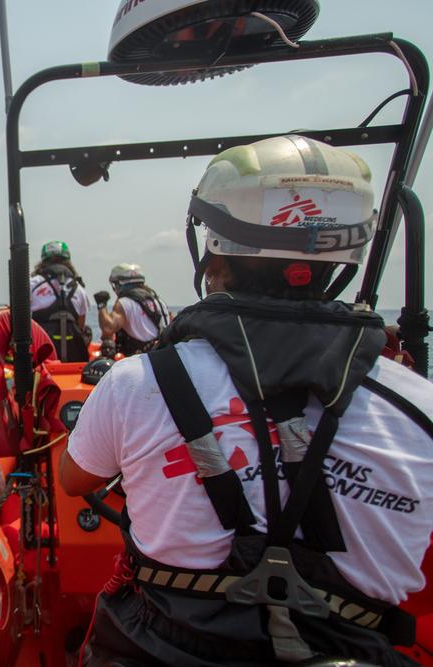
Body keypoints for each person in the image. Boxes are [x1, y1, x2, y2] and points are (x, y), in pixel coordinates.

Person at [60, 136, 433, 666]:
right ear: (340, 256)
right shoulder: (421, 406)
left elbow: (75, 480)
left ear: (216, 256)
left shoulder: (133, 384)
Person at [30, 240, 90, 361]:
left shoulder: (33, 283)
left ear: (43, 261)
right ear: (68, 262)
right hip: (73, 355)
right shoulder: (79, 289)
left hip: (42, 354)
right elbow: (81, 326)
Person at [96, 262, 170, 356]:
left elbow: (108, 329)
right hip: (163, 353)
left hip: (142, 359)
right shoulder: (159, 301)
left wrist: (101, 305)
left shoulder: (124, 303)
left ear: (119, 284)